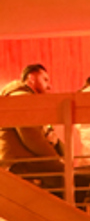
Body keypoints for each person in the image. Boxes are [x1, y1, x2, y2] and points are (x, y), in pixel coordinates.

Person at [0, 63, 64, 194]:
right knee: (67, 177)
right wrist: (57, 160)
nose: (49, 86)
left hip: (17, 161)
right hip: (20, 163)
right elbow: (31, 138)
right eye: (45, 79)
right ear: (32, 77)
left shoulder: (20, 98)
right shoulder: (22, 98)